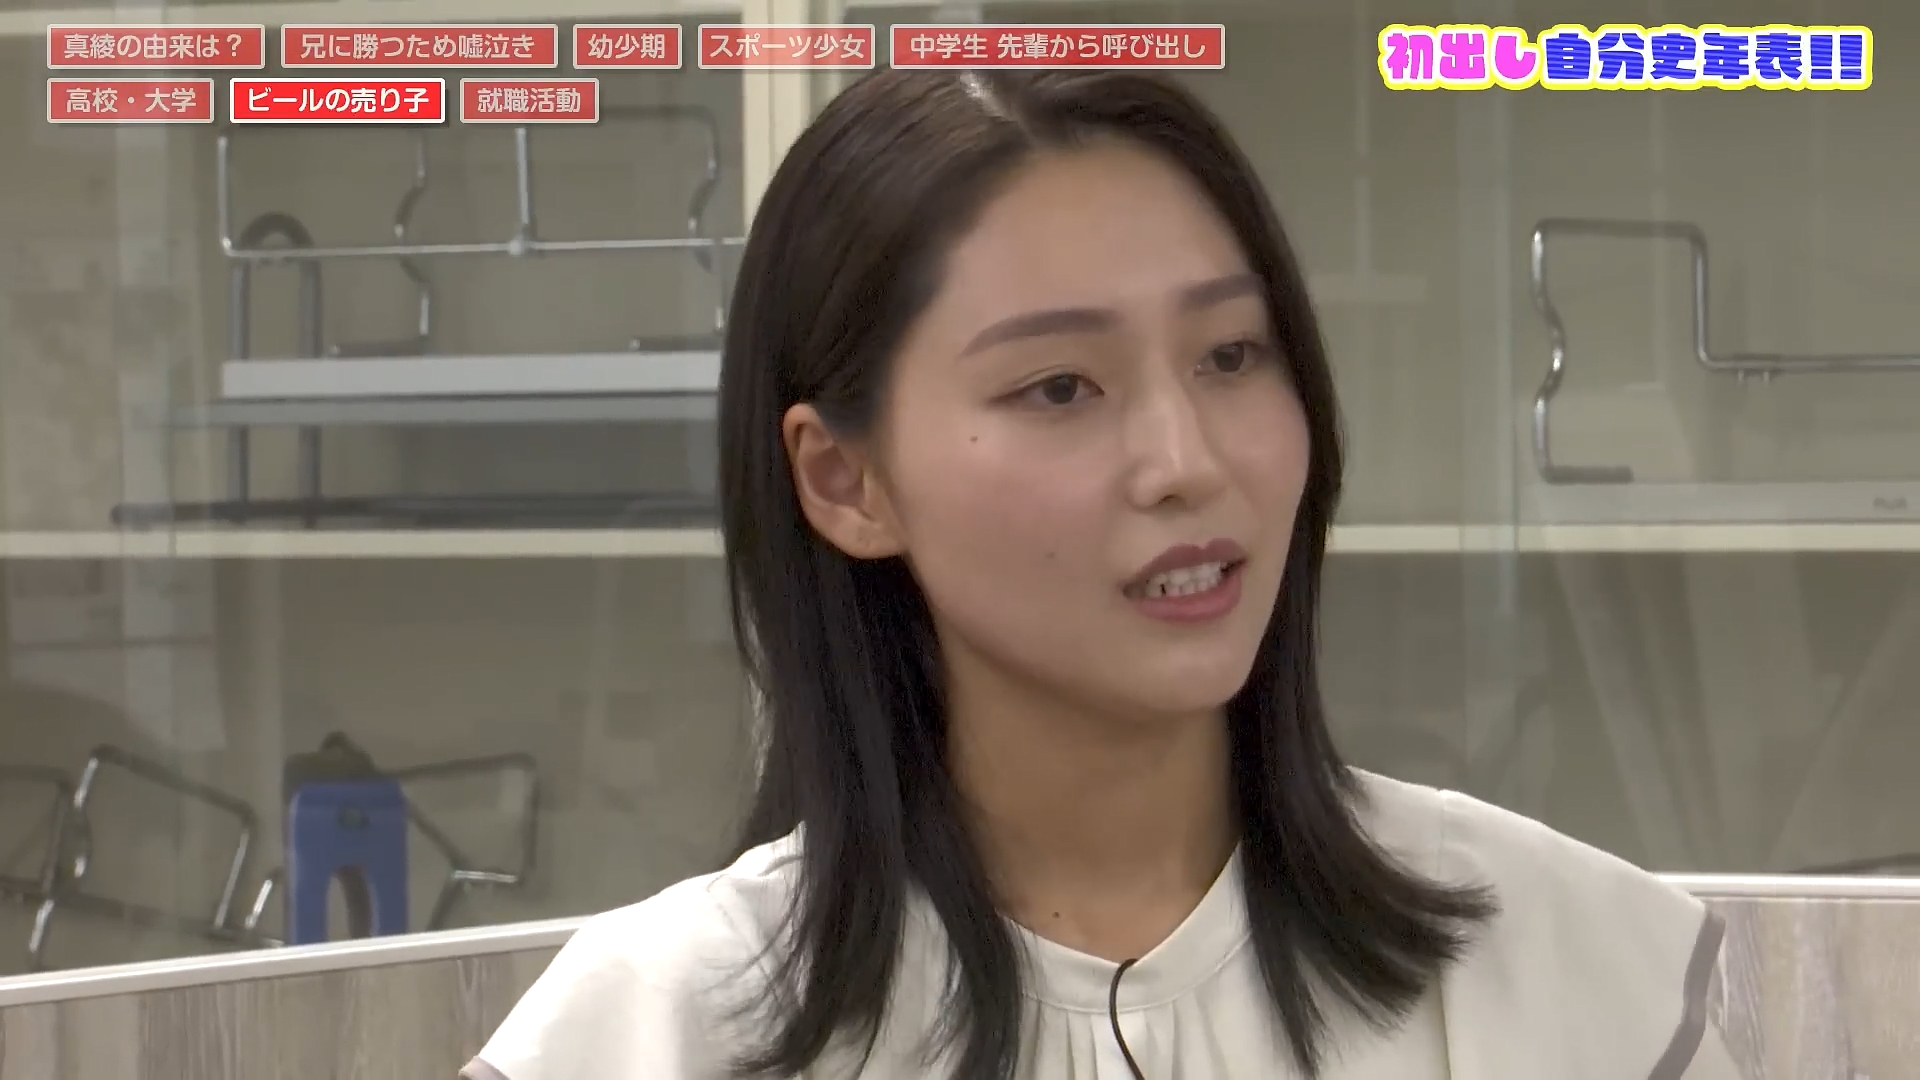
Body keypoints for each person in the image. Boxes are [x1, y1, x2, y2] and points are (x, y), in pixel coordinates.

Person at [463, 69, 1744, 1080]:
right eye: (1061, 386)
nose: (1186, 462)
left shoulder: (1570, 971)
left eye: (1231, 356)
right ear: (846, 482)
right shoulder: (660, 1029)